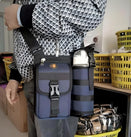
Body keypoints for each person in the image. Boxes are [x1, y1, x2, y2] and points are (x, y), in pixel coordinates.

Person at [4, 0, 107, 137]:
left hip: (56, 81)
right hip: (33, 79)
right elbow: (23, 33)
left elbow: (91, 10)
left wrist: (22, 14)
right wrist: (15, 75)